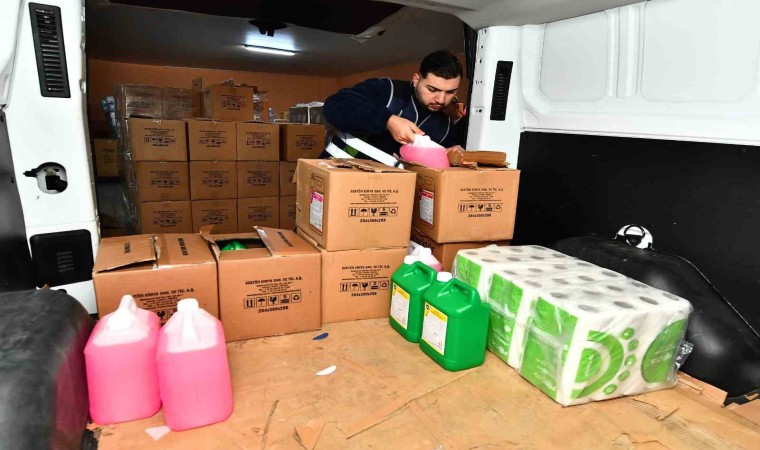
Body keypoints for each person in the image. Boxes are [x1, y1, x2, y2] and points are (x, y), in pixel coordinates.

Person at [322, 50, 466, 161]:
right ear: (416, 80)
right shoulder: (387, 90)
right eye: (432, 90)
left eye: (450, 92)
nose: (441, 100)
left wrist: (449, 155)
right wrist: (388, 121)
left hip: (388, 187)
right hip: (337, 171)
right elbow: (335, 105)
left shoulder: (446, 128)